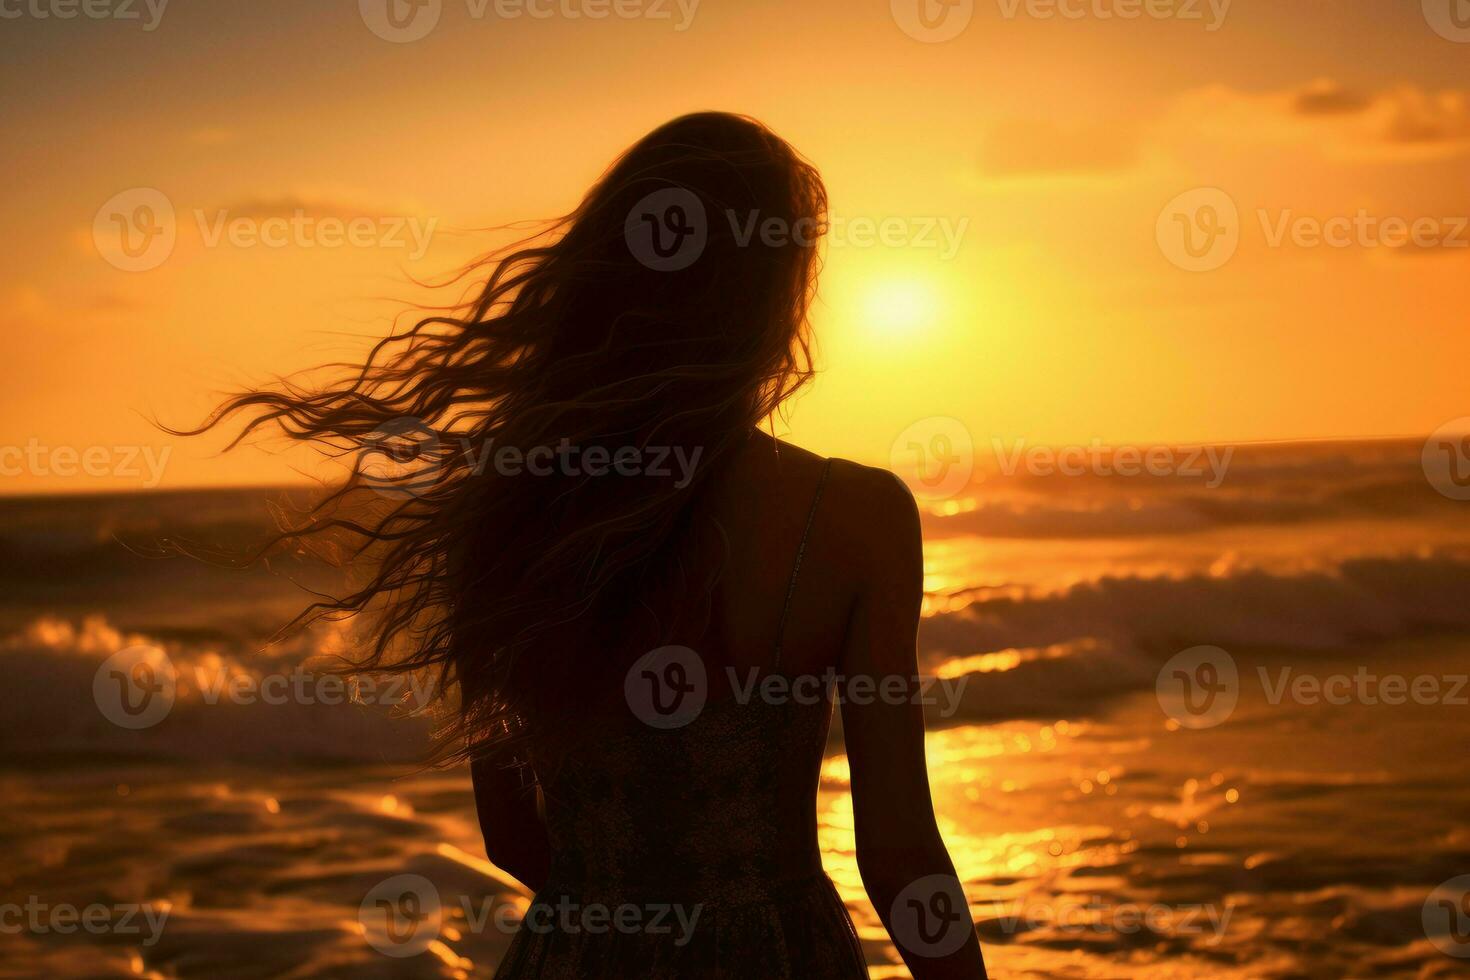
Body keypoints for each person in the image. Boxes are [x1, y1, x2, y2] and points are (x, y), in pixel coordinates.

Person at [189, 111, 986, 979]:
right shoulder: (857, 515)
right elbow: (900, 856)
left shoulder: (513, 505)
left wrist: (621, 914)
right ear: (775, 292)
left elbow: (510, 831)